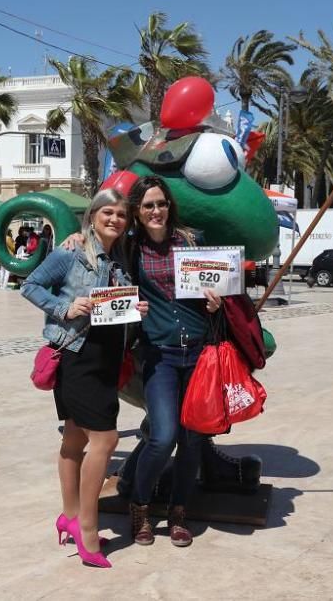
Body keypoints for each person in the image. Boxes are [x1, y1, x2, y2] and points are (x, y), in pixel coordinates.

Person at [65, 177, 222, 548]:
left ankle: (179, 511)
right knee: (163, 434)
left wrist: (217, 302)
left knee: (192, 438)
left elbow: (219, 282)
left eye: (161, 204)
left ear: (170, 206)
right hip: (159, 353)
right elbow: (96, 243)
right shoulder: (129, 248)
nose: (156, 211)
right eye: (148, 205)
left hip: (198, 351)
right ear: (138, 211)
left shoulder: (189, 242)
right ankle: (140, 503)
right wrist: (75, 238)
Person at [20, 189, 147, 569]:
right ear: (92, 216)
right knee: (105, 440)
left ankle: (69, 515)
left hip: (108, 357)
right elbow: (30, 285)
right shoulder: (71, 252)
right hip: (77, 355)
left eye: (121, 214)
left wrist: (135, 308)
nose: (115, 219)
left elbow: (119, 303)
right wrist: (65, 306)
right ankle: (87, 529)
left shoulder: (124, 254)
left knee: (75, 438)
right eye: (107, 212)